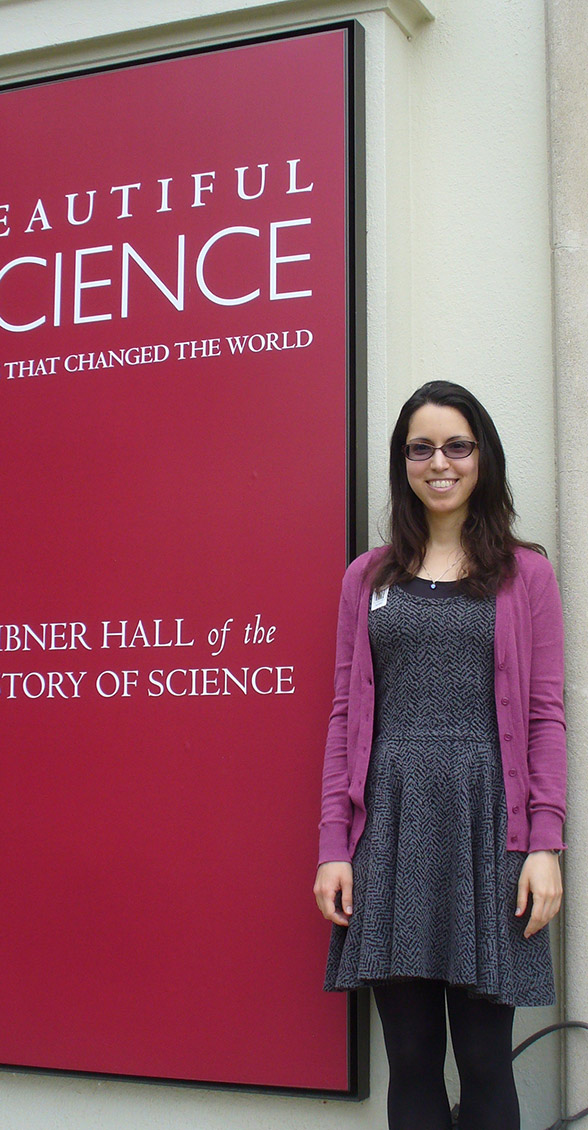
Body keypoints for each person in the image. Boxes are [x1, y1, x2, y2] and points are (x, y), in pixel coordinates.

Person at [314, 381, 566, 1130]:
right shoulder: (368, 576)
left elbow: (545, 716)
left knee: (486, 1060)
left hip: (488, 829)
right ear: (403, 463)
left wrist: (545, 845)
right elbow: (344, 716)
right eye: (420, 448)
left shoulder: (525, 574)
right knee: (412, 1059)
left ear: (482, 456)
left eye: (457, 445)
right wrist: (334, 848)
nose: (440, 462)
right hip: (390, 830)